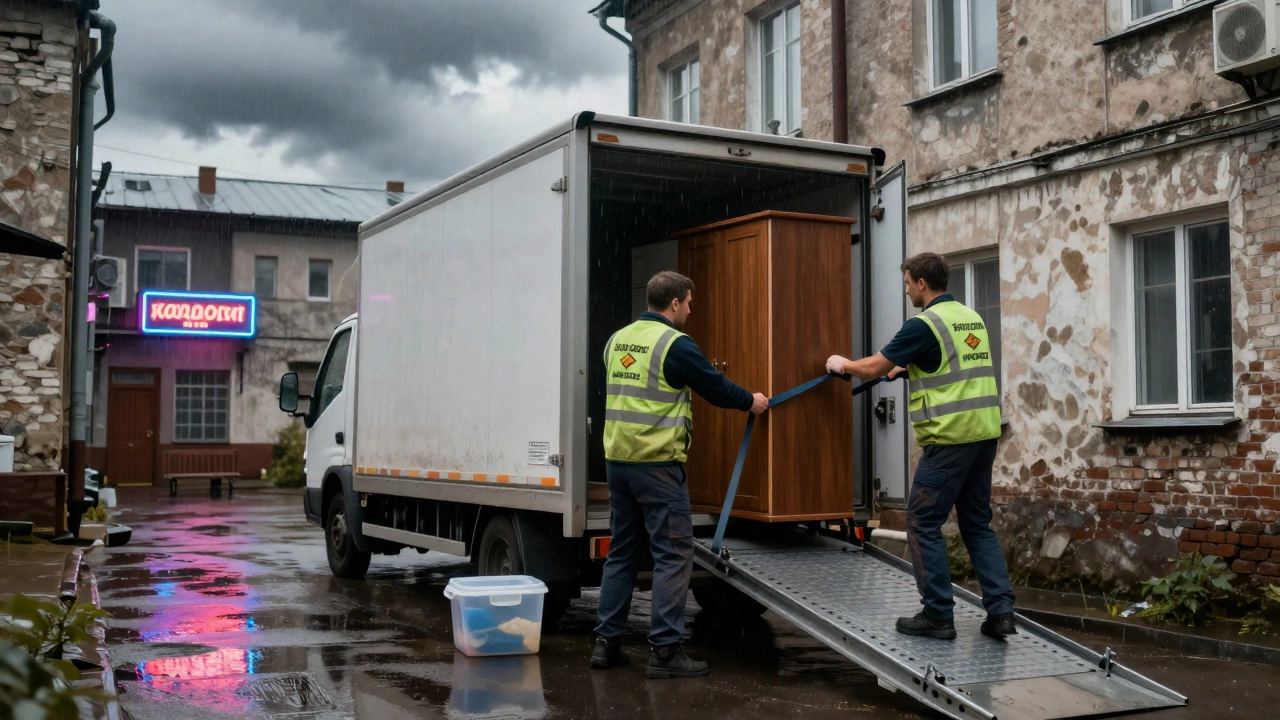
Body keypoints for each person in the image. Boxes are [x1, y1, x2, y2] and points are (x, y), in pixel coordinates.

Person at [825, 252, 1015, 641]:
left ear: (922, 284)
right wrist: (911, 366)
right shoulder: (969, 317)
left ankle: (938, 616)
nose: (907, 288)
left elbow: (876, 366)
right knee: (977, 524)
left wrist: (842, 364)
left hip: (949, 439)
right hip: (983, 435)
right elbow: (952, 365)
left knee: (922, 521)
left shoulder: (924, 324)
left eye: (908, 282)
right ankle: (1001, 613)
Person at [591, 270, 769, 678]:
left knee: (622, 554)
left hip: (618, 465)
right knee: (673, 555)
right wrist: (751, 401)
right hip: (656, 467)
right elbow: (714, 386)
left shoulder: (617, 340)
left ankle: (606, 644)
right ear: (674, 303)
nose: (690, 309)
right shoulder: (675, 344)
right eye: (689, 303)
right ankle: (665, 652)